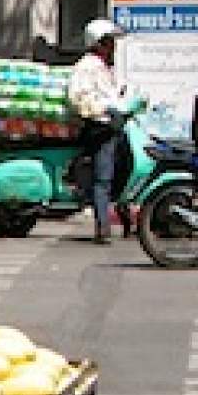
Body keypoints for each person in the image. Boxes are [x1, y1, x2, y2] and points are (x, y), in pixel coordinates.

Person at [67, 20, 128, 243]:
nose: (113, 47)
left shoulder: (104, 67)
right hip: (99, 127)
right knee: (103, 177)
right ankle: (102, 226)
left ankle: (125, 219)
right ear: (98, 43)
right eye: (109, 42)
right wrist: (104, 109)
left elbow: (111, 94)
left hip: (112, 125)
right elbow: (77, 98)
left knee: (120, 170)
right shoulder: (86, 66)